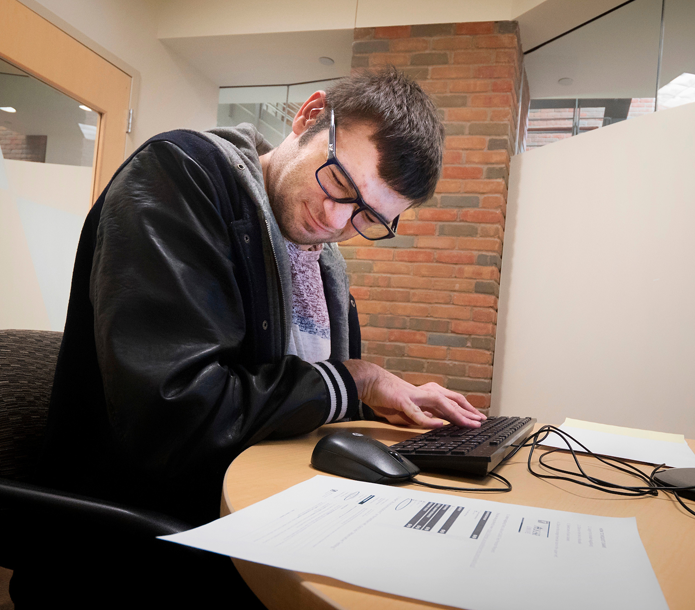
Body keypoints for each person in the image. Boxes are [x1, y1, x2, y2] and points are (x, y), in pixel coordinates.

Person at [12, 68, 484, 608]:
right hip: (141, 542)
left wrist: (380, 397)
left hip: (259, 513)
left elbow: (313, 394)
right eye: (338, 181)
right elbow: (177, 418)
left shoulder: (320, 261)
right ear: (309, 117)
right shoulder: (181, 176)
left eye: (369, 216)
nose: (336, 219)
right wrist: (355, 380)